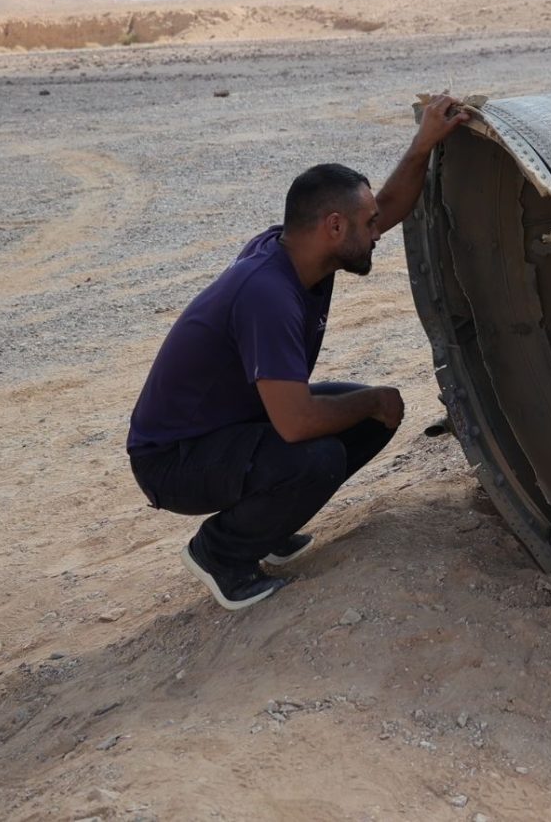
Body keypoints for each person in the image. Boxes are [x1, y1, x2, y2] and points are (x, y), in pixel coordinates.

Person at [126, 94, 470, 610]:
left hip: (226, 427)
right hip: (173, 460)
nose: (378, 233)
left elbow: (390, 204)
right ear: (334, 226)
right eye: (368, 224)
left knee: (363, 417)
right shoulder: (267, 294)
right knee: (320, 450)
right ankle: (221, 555)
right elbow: (294, 424)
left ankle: (266, 524)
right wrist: (373, 400)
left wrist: (423, 144)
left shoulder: (296, 252)